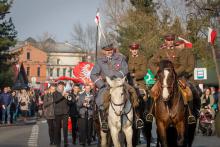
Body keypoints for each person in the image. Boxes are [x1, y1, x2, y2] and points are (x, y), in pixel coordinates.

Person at [149, 34, 197, 124]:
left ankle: (190, 114)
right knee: (152, 91)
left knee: (189, 92)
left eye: (172, 40)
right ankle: (150, 113)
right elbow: (151, 62)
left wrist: (175, 73)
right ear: (165, 41)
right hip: (163, 78)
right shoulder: (160, 52)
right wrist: (158, 73)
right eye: (168, 40)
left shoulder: (179, 51)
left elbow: (183, 65)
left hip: (177, 77)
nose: (170, 42)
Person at [90, 43, 138, 131]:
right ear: (104, 51)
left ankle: (136, 117)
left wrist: (117, 76)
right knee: (101, 99)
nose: (109, 52)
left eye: (111, 50)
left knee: (133, 92)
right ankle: (104, 120)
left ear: (113, 50)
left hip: (120, 82)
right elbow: (93, 75)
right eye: (107, 51)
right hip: (106, 85)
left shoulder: (120, 58)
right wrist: (101, 84)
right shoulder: (100, 61)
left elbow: (125, 69)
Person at [127, 42, 149, 125]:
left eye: (135, 49)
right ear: (130, 50)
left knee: (143, 95)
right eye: (132, 49)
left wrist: (134, 75)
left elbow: (144, 71)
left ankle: (143, 114)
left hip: (139, 82)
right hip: (128, 82)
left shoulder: (143, 58)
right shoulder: (127, 58)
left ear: (138, 49)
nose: (134, 50)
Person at [53, 81, 69, 147]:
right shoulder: (55, 93)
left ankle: (65, 142)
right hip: (58, 112)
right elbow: (55, 100)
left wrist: (68, 98)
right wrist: (62, 96)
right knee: (58, 128)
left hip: (65, 112)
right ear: (58, 87)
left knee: (65, 128)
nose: (61, 87)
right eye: (60, 86)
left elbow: (69, 102)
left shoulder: (66, 93)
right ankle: (58, 142)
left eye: (62, 86)